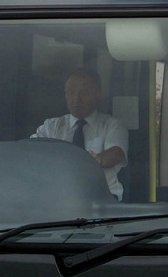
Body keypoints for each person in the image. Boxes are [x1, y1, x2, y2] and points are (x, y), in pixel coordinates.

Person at [32, 68, 128, 199]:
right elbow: (30, 151)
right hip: (57, 198)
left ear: (98, 94)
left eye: (84, 93)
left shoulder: (112, 125)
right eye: (71, 93)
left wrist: (96, 159)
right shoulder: (52, 126)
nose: (76, 99)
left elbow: (116, 153)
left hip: (101, 198)